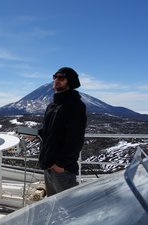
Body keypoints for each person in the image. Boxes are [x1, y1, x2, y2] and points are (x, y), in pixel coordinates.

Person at [38, 67, 87, 197]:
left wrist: (60, 165)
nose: (56, 80)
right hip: (49, 165)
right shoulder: (52, 105)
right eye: (55, 77)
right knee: (53, 202)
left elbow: (75, 139)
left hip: (61, 169)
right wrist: (37, 133)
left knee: (68, 206)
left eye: (61, 78)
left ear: (69, 82)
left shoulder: (75, 106)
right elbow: (51, 130)